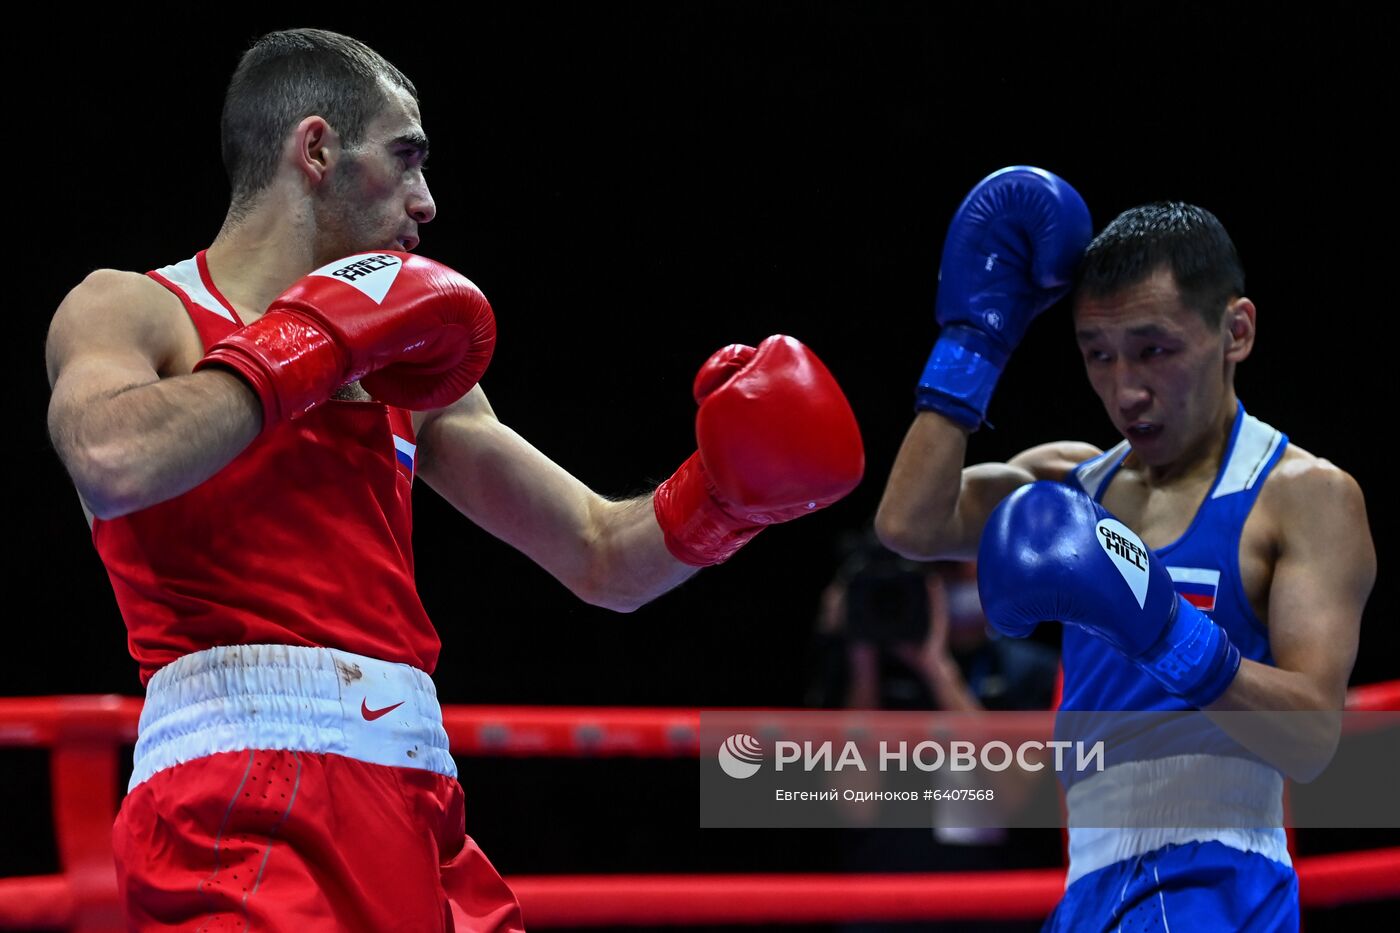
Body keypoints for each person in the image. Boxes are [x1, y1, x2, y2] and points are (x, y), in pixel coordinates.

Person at [43, 28, 864, 931]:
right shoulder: (135, 307)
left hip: (415, 791)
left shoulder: (406, 374)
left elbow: (600, 555)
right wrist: (309, 344)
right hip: (240, 790)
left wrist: (724, 497)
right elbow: (111, 460)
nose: (426, 202)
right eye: (405, 159)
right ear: (316, 149)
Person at [875, 168, 1376, 930]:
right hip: (1092, 885)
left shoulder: (1302, 494)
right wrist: (974, 343)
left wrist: (1164, 630)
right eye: (1097, 353)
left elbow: (1311, 739)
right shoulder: (1070, 485)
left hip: (1219, 877)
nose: (1125, 389)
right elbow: (908, 521)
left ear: (1235, 332)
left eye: (1153, 350)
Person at [808, 542, 1060, 933]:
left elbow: (1014, 798)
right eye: (935, 571)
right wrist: (861, 654)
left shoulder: (1032, 673)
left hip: (998, 910)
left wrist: (936, 668)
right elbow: (854, 806)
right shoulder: (860, 676)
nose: (944, 583)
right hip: (883, 910)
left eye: (957, 570)